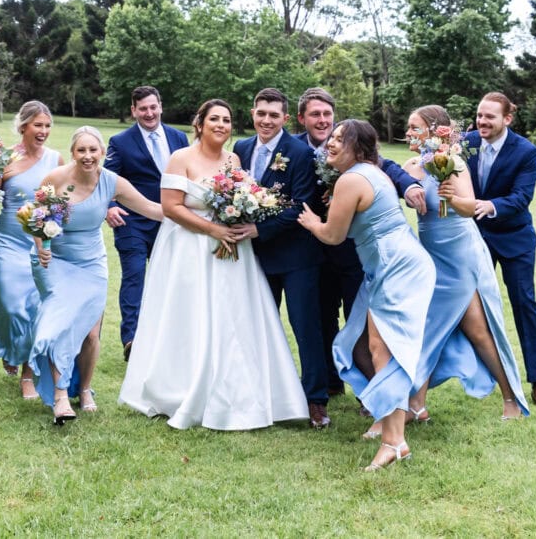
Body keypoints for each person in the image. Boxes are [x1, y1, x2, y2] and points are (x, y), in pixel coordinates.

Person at [119, 100, 309, 430]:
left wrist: (239, 216)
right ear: (200, 123)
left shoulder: (234, 158)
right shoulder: (180, 159)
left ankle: (238, 390)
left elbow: (243, 196)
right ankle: (184, 387)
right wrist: (213, 229)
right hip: (190, 249)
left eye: (226, 119)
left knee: (233, 317)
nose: (220, 125)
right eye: (214, 119)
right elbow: (171, 207)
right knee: (192, 315)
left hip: (233, 251)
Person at [361, 105, 529, 437]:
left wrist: (452, 196)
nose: (408, 133)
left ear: (434, 131)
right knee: (432, 330)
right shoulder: (411, 166)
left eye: (414, 127)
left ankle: (510, 399)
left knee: (477, 332)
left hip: (460, 256)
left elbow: (470, 208)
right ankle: (415, 405)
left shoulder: (453, 163)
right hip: (430, 259)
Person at [297, 121, 435, 471]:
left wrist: (312, 222)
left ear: (358, 148)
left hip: (396, 266)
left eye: (340, 139)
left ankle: (394, 441)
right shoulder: (367, 172)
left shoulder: (353, 179)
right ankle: (385, 420)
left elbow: (332, 235)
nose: (330, 142)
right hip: (388, 265)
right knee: (360, 344)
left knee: (381, 347)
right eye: (332, 137)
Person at [295, 87, 426, 398]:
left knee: (371, 334)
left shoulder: (357, 157)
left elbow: (391, 169)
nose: (324, 121)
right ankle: (335, 384)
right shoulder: (297, 150)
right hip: (316, 255)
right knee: (325, 321)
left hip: (363, 255)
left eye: (328, 114)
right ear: (302, 118)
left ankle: (385, 400)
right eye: (316, 114)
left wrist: (408, 187)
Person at [29, 126, 163, 425]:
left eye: (93, 150)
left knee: (91, 334)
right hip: (55, 261)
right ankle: (61, 396)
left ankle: (86, 389)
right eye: (81, 150)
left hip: (91, 263)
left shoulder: (112, 182)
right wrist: (41, 247)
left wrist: (192, 209)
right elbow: (37, 218)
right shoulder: (55, 179)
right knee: (60, 326)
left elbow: (153, 209)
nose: (87, 156)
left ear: (102, 152)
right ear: (73, 151)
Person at [232, 88, 331, 428]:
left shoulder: (300, 152)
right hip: (254, 258)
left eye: (274, 115)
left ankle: (316, 400)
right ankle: (262, 393)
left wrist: (260, 231)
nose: (266, 120)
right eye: (261, 113)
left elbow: (303, 205)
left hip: (297, 257)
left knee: (306, 328)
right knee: (257, 325)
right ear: (253, 113)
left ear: (285, 118)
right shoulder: (241, 148)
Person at [466, 92, 536, 409]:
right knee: (468, 305)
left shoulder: (526, 151)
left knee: (524, 303)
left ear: (507, 118)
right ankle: (477, 375)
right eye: (479, 115)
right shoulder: (465, 144)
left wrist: (490, 205)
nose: (482, 121)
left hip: (515, 238)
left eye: (489, 116)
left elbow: (521, 197)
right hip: (475, 238)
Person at [0, 101, 63, 399]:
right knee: (11, 306)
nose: (43, 131)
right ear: (23, 126)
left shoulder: (56, 160)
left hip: (40, 244)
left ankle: (28, 373)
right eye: (38, 125)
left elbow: (61, 204)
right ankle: (5, 343)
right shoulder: (4, 160)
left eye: (47, 126)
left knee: (36, 308)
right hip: (7, 243)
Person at [104, 86, 190, 361]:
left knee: (172, 279)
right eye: (143, 108)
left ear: (160, 107)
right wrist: (109, 207)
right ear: (134, 111)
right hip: (133, 223)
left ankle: (171, 338)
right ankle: (132, 339)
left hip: (173, 221)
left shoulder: (179, 138)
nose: (149, 113)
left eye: (153, 107)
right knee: (134, 275)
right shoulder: (120, 142)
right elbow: (107, 179)